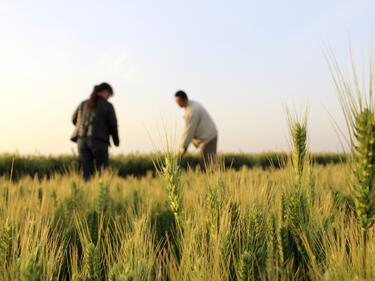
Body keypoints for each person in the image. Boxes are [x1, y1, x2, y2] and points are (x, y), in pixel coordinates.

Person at [71, 82, 120, 181]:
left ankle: (87, 193)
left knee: (85, 173)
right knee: (102, 171)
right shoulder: (108, 106)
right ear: (104, 92)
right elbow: (113, 125)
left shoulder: (83, 104)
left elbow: (73, 119)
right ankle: (101, 195)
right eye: (109, 95)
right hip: (99, 141)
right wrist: (116, 141)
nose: (108, 97)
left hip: (81, 141)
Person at [175, 90, 218, 170]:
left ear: (184, 100)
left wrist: (183, 148)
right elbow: (187, 130)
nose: (177, 104)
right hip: (206, 137)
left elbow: (189, 131)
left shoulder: (192, 111)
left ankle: (208, 180)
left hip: (208, 137)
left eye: (178, 101)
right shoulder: (190, 106)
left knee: (206, 165)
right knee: (206, 163)